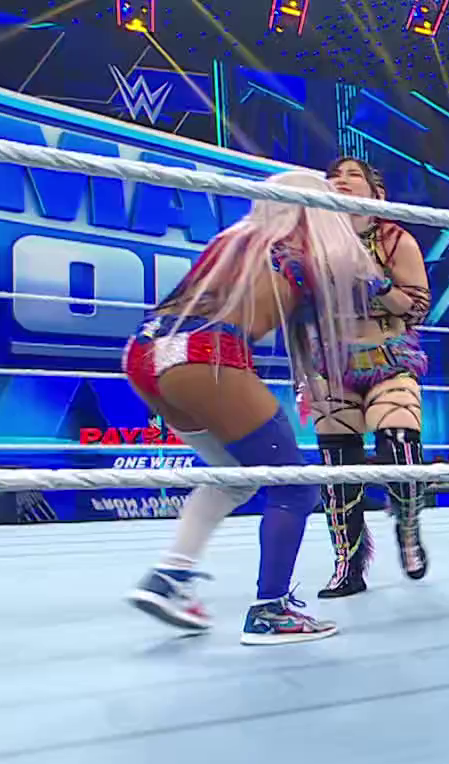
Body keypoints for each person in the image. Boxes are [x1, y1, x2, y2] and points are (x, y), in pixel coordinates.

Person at [123, 171, 380, 644]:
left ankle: (169, 576)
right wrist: (363, 222)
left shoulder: (235, 239)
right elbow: (366, 291)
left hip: (145, 352)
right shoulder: (307, 252)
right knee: (295, 487)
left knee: (234, 476)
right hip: (206, 356)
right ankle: (271, 611)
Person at [311, 157, 434, 598]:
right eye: (334, 175)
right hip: (333, 364)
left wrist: (376, 283)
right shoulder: (312, 242)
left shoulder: (394, 239)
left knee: (399, 442)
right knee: (337, 467)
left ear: (375, 192)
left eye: (353, 175)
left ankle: (408, 529)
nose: (341, 180)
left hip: (388, 357)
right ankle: (348, 565)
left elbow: (418, 308)